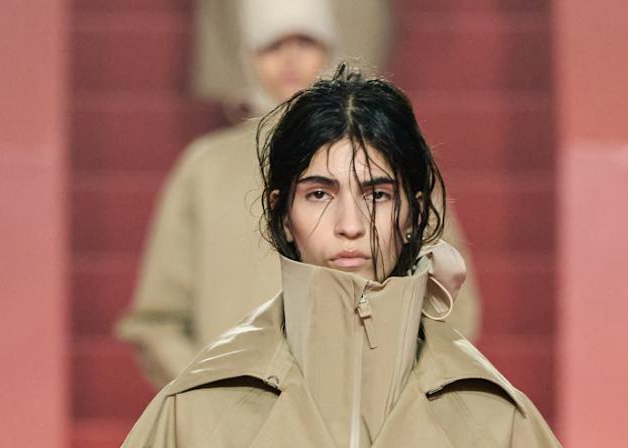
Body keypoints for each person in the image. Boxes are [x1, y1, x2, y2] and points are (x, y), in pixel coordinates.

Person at [75, 64, 607, 448]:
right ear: (281, 213)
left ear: (414, 211)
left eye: (377, 194)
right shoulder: (190, 420)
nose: (350, 224)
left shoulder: (497, 426)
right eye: (319, 194)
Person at [115, 0, 480, 387]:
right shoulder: (206, 169)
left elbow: (449, 298)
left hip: (368, 405)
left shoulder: (390, 156)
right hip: (236, 406)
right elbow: (159, 321)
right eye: (272, 45)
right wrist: (213, 394)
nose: (289, 59)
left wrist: (392, 390)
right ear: (248, 56)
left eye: (305, 42)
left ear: (329, 48)